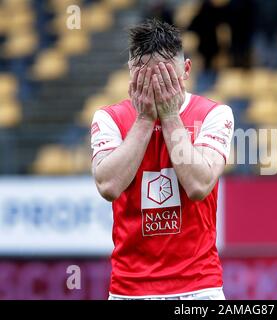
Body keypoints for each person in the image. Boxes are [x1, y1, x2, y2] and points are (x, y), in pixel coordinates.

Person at [90, 19, 234, 300]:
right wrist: (145, 119)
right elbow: (108, 185)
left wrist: (169, 116)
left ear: (186, 71)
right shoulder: (108, 118)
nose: (156, 86)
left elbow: (198, 185)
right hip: (129, 289)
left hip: (198, 287)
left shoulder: (214, 115)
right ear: (131, 74)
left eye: (166, 77)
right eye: (146, 77)